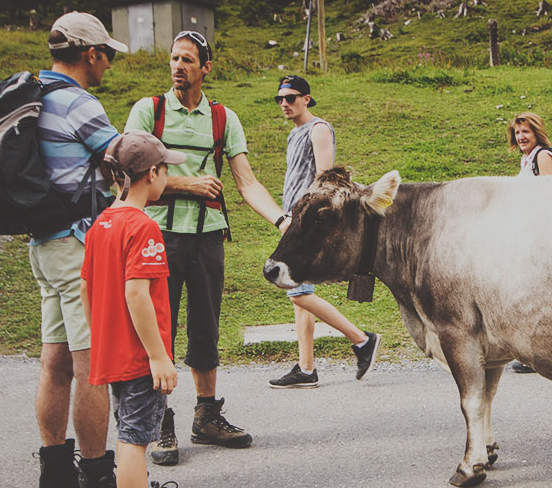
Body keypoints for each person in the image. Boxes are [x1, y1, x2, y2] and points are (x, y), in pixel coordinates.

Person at [125, 30, 287, 465]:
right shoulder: (150, 110)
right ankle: (158, 423)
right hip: (155, 236)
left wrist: (282, 220)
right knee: (158, 327)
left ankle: (207, 416)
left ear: (205, 68)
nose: (178, 66)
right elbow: (126, 172)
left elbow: (246, 181)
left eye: (187, 60)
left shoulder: (222, 117)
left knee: (205, 325)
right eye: (174, 59)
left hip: (208, 235)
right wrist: (186, 183)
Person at [81, 130, 201, 488]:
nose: (167, 174)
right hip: (138, 355)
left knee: (132, 431)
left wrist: (105, 336)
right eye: (166, 168)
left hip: (113, 349)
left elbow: (87, 287)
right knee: (134, 439)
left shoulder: (103, 223)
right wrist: (157, 355)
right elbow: (136, 293)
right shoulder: (143, 226)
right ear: (151, 174)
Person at [32, 11, 126, 488]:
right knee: (93, 365)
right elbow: (124, 156)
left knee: (56, 361)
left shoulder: (34, 94)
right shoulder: (77, 100)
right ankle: (97, 484)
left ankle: (55, 476)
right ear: (90, 53)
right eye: (106, 53)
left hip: (44, 244)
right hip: (75, 245)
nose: (109, 62)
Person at [267, 75, 381, 389]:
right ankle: (306, 369)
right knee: (299, 295)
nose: (285, 104)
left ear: (307, 98)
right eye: (280, 99)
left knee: (297, 291)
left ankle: (361, 340)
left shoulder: (318, 129)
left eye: (291, 97)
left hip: (306, 224)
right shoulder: (294, 134)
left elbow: (324, 179)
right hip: (293, 221)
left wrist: (305, 222)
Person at [505, 111, 552, 374]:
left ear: (536, 132)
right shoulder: (526, 159)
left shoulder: (542, 156)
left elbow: (549, 196)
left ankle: (542, 354)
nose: (521, 136)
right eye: (517, 132)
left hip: (545, 236)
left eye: (525, 131)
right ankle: (534, 353)